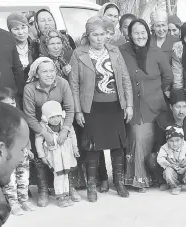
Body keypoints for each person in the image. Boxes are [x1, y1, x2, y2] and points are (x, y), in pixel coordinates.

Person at [69, 16, 133, 202]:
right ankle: (91, 185)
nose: (99, 38)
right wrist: (78, 111)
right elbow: (74, 85)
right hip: (91, 108)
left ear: (107, 35)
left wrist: (128, 105)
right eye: (94, 35)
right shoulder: (78, 54)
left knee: (118, 145)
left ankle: (119, 182)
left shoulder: (114, 51)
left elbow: (125, 79)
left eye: (102, 34)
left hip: (114, 106)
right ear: (88, 36)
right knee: (92, 147)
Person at [120, 19, 174, 192]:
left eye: (143, 32)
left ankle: (153, 177)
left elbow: (168, 77)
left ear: (148, 33)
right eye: (136, 33)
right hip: (132, 106)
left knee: (151, 139)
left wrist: (156, 91)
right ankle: (136, 178)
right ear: (129, 35)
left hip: (154, 105)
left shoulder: (156, 52)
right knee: (137, 138)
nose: (140, 36)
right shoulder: (122, 52)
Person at [22, 57, 75, 208]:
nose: (49, 74)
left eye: (52, 71)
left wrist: (64, 130)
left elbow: (70, 109)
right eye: (44, 71)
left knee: (65, 155)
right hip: (39, 127)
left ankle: (69, 188)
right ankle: (43, 189)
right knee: (41, 158)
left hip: (61, 125)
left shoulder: (62, 84)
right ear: (36, 73)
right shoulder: (30, 88)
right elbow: (29, 115)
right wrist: (43, 133)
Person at [0, 88, 35, 215]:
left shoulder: (20, 117)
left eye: (12, 103)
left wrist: (28, 148)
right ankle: (13, 203)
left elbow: (25, 134)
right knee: (10, 181)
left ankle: (24, 200)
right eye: (6, 104)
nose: (10, 106)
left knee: (24, 178)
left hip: (22, 154)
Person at [36, 100, 80, 207]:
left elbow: (72, 135)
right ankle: (60, 196)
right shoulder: (43, 127)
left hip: (66, 154)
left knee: (66, 175)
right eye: (51, 117)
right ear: (45, 118)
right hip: (54, 156)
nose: (55, 120)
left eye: (57, 116)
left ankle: (66, 195)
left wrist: (75, 148)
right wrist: (42, 155)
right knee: (58, 176)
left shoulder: (65, 123)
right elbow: (38, 141)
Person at [157, 124, 186, 195]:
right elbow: (160, 158)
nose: (175, 144)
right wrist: (169, 165)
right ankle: (175, 186)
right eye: (171, 141)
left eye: (177, 140)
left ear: (182, 139)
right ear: (167, 141)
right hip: (173, 169)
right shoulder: (164, 148)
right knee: (168, 172)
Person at [7, 12, 39, 77]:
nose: (21, 32)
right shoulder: (6, 48)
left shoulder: (36, 46)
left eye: (23, 27)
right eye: (16, 29)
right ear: (10, 31)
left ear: (28, 27)